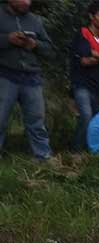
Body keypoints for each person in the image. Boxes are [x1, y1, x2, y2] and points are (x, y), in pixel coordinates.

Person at [0, 0, 54, 160]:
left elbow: (50, 50)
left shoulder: (34, 20)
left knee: (37, 122)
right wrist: (7, 39)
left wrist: (34, 44)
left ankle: (44, 158)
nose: (27, 2)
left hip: (31, 78)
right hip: (5, 74)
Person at [69, 1, 99, 152]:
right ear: (91, 16)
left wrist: (96, 56)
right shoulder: (83, 33)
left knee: (94, 119)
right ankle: (76, 150)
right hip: (81, 83)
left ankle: (89, 149)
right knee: (86, 115)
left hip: (97, 85)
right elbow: (83, 60)